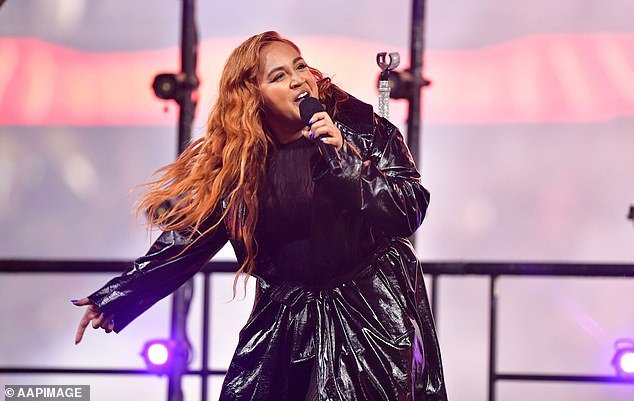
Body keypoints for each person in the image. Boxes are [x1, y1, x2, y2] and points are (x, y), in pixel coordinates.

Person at [72, 31, 448, 401]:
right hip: (287, 315)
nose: (298, 79)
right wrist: (117, 297)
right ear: (253, 97)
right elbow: (191, 235)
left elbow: (407, 210)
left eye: (299, 66)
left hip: (367, 316)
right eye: (279, 76)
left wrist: (346, 162)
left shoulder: (363, 131)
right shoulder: (242, 160)